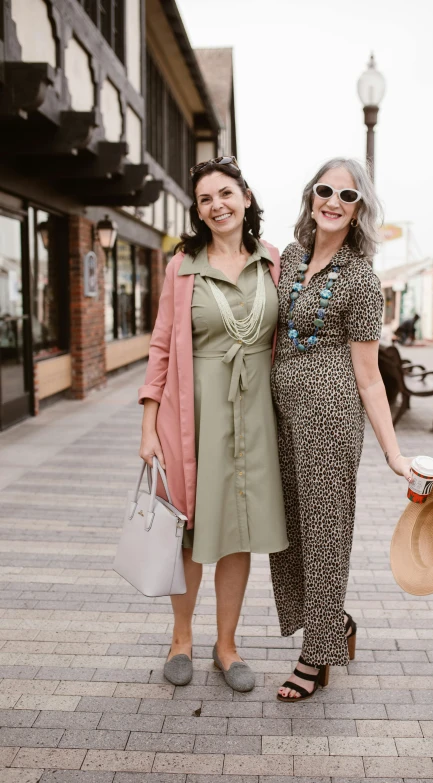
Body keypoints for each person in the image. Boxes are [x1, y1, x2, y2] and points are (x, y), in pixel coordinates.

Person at [138, 156, 288, 693]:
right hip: (192, 414)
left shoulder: (273, 262)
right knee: (189, 530)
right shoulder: (182, 267)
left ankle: (227, 646)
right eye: (205, 199)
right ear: (198, 211)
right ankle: (182, 639)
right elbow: (159, 348)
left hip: (255, 417)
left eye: (226, 193)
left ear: (245, 197)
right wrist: (149, 424)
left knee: (238, 532)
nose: (217, 205)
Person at [270, 158, 413, 701]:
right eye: (325, 190)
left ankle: (317, 654)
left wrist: (394, 454)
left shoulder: (361, 280)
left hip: (330, 418)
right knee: (287, 530)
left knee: (325, 534)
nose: (333, 201)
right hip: (280, 415)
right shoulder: (288, 257)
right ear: (311, 197)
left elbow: (371, 379)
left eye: (346, 196)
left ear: (358, 211)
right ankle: (337, 624)